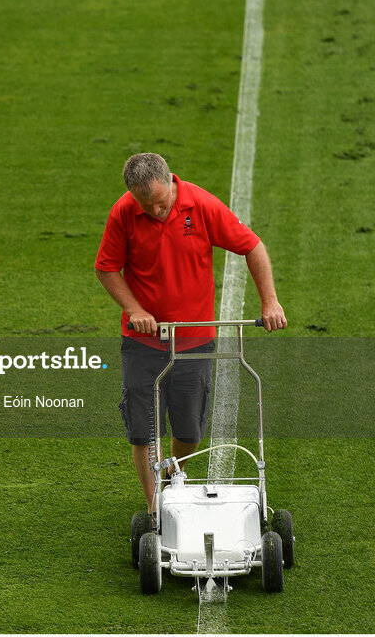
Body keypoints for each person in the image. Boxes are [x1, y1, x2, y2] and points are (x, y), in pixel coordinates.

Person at [95, 152, 287, 513]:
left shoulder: (201, 205)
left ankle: (174, 476)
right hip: (143, 341)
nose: (154, 212)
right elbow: (106, 267)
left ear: (171, 182)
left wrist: (270, 302)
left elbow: (252, 246)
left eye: (160, 203)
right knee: (144, 428)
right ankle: (155, 506)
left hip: (195, 339)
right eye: (145, 205)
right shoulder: (124, 212)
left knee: (189, 429)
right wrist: (135, 310)